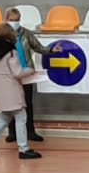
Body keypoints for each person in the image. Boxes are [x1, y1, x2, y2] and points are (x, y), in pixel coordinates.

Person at [0, 23, 42, 160]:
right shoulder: (10, 51)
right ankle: (24, 149)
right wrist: (32, 71)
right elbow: (17, 72)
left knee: (5, 116)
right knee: (21, 116)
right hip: (11, 88)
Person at [4, 8, 61, 144]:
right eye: (12, 20)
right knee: (12, 105)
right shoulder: (2, 35)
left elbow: (38, 48)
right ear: (6, 20)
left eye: (17, 20)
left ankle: (30, 132)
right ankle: (12, 133)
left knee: (27, 104)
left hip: (27, 73)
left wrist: (51, 50)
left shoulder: (26, 34)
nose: (14, 23)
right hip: (10, 75)